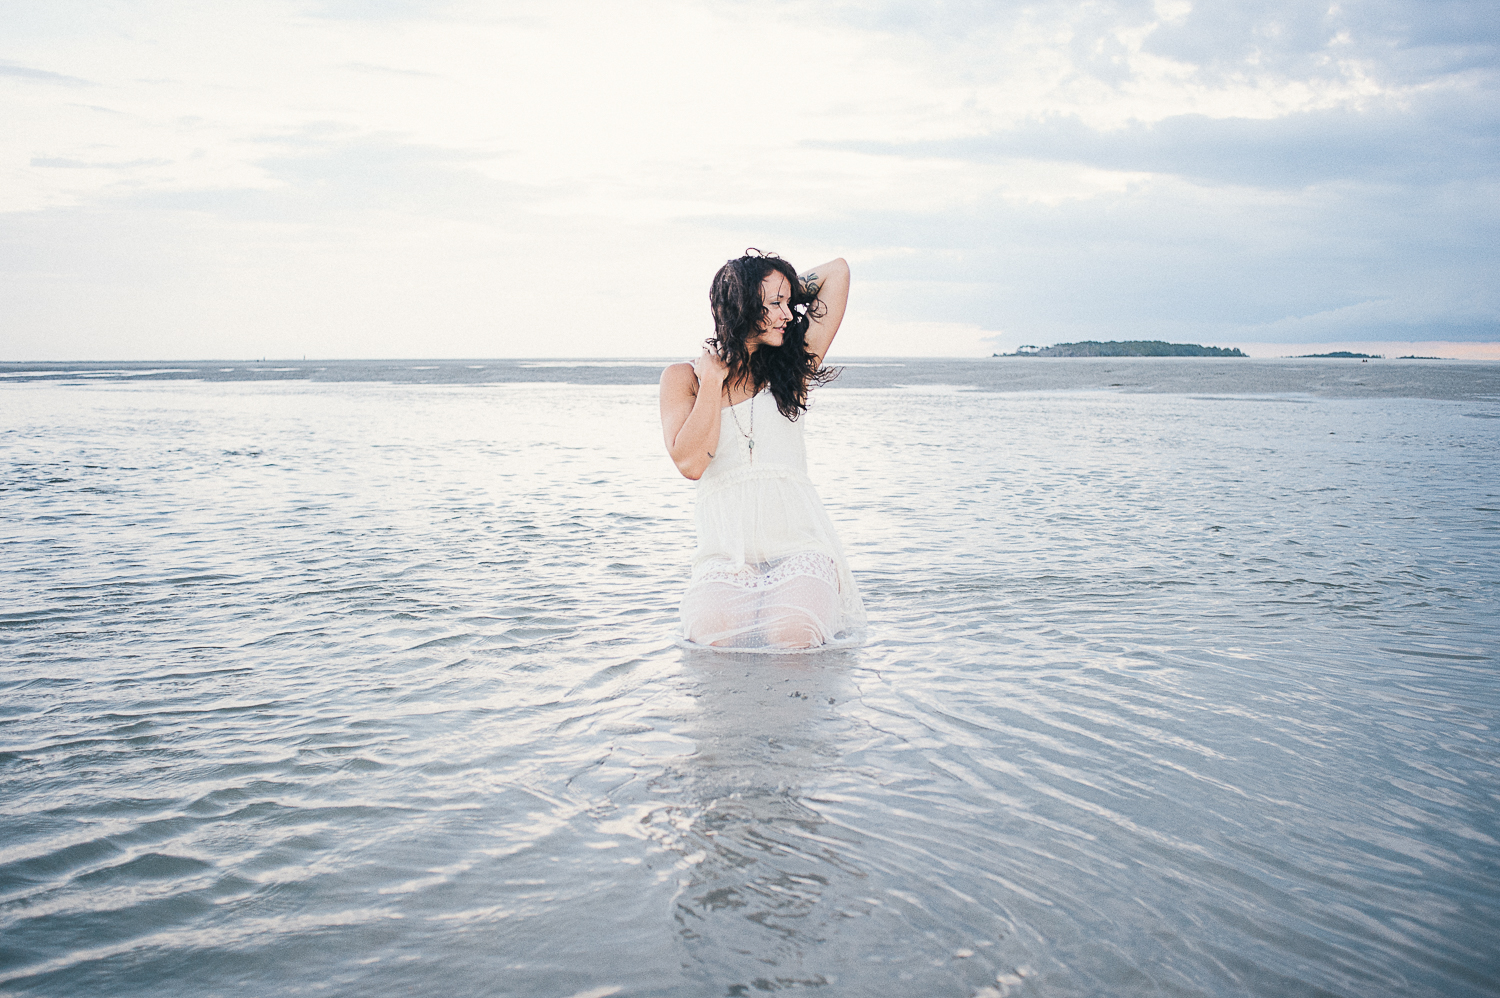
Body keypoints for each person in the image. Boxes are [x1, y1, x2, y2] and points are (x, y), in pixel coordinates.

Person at [659, 249, 866, 650]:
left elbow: (836, 273)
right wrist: (713, 382)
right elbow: (690, 463)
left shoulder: (793, 368)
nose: (788, 314)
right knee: (710, 639)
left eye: (789, 302)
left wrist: (779, 288)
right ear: (740, 306)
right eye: (775, 304)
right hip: (726, 556)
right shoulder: (684, 379)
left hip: (798, 549)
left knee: (793, 635)